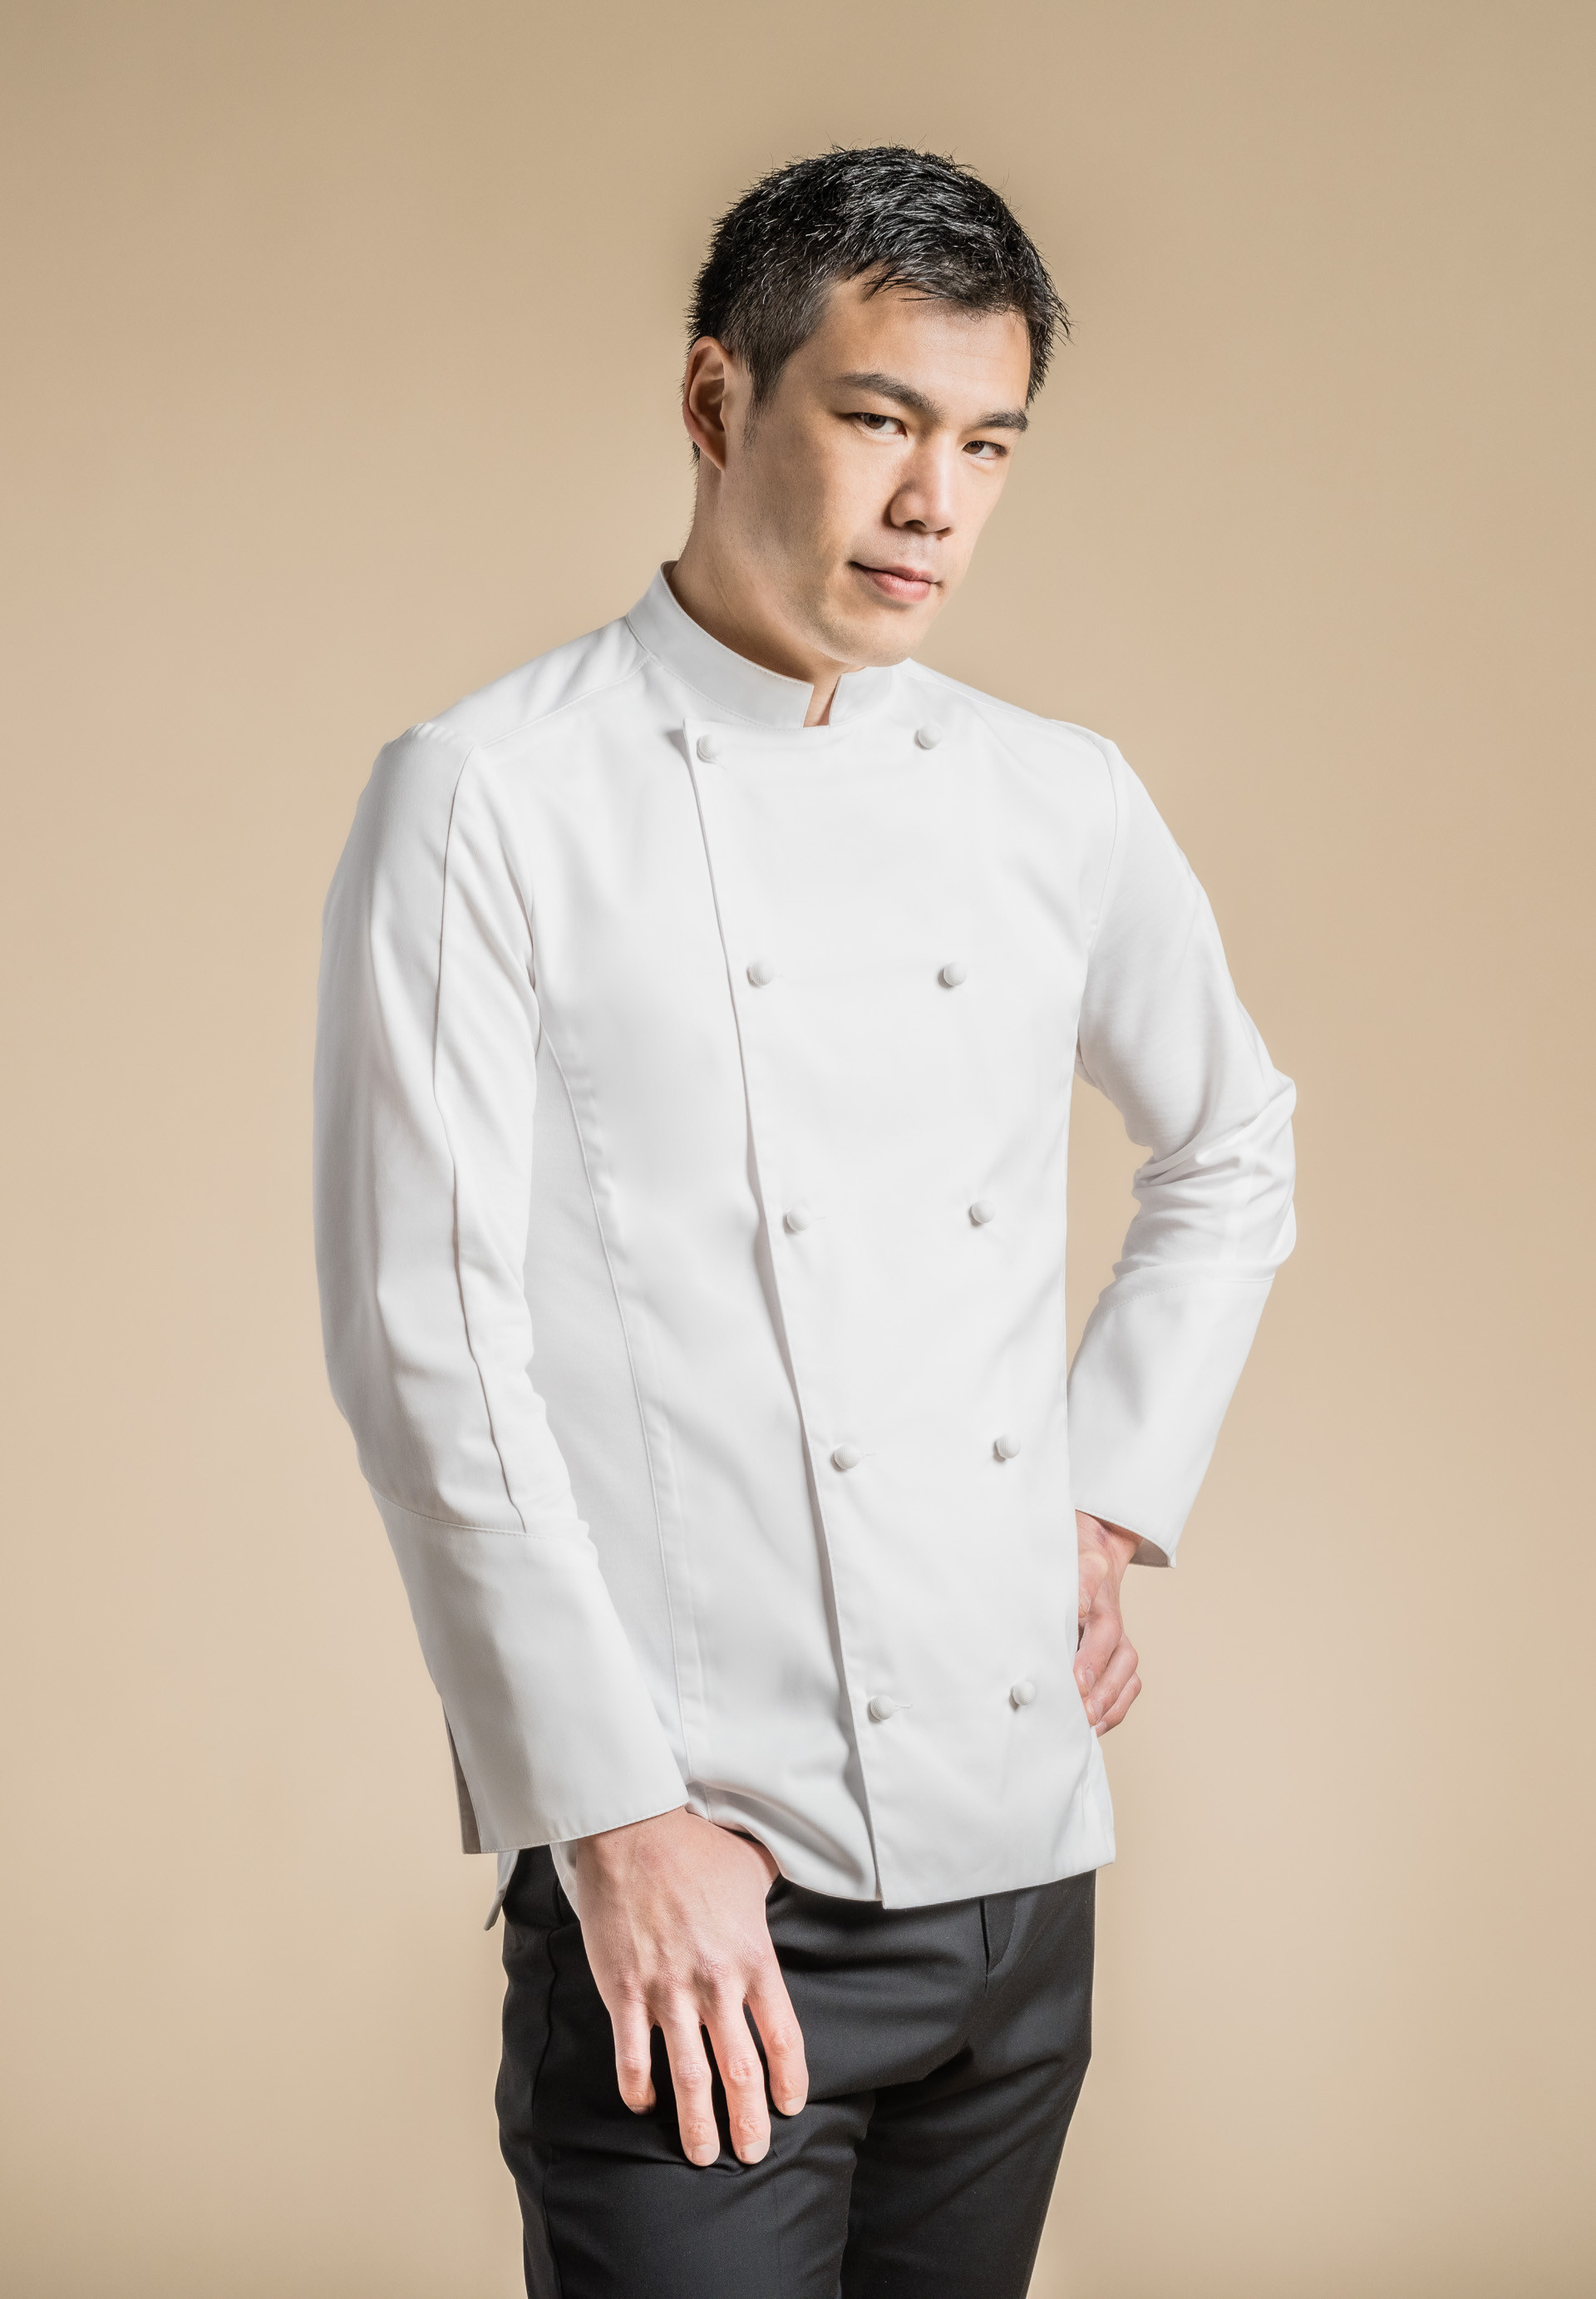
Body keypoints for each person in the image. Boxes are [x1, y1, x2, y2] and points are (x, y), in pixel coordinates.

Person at [313, 145, 1295, 2299]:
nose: (935, 502)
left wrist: (1104, 1501)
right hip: (709, 1899)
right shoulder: (492, 796)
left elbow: (1235, 1143)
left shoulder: (1058, 798)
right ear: (714, 399)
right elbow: (424, 1343)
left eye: (989, 444)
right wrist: (610, 1822)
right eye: (877, 419)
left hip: (1022, 1889)